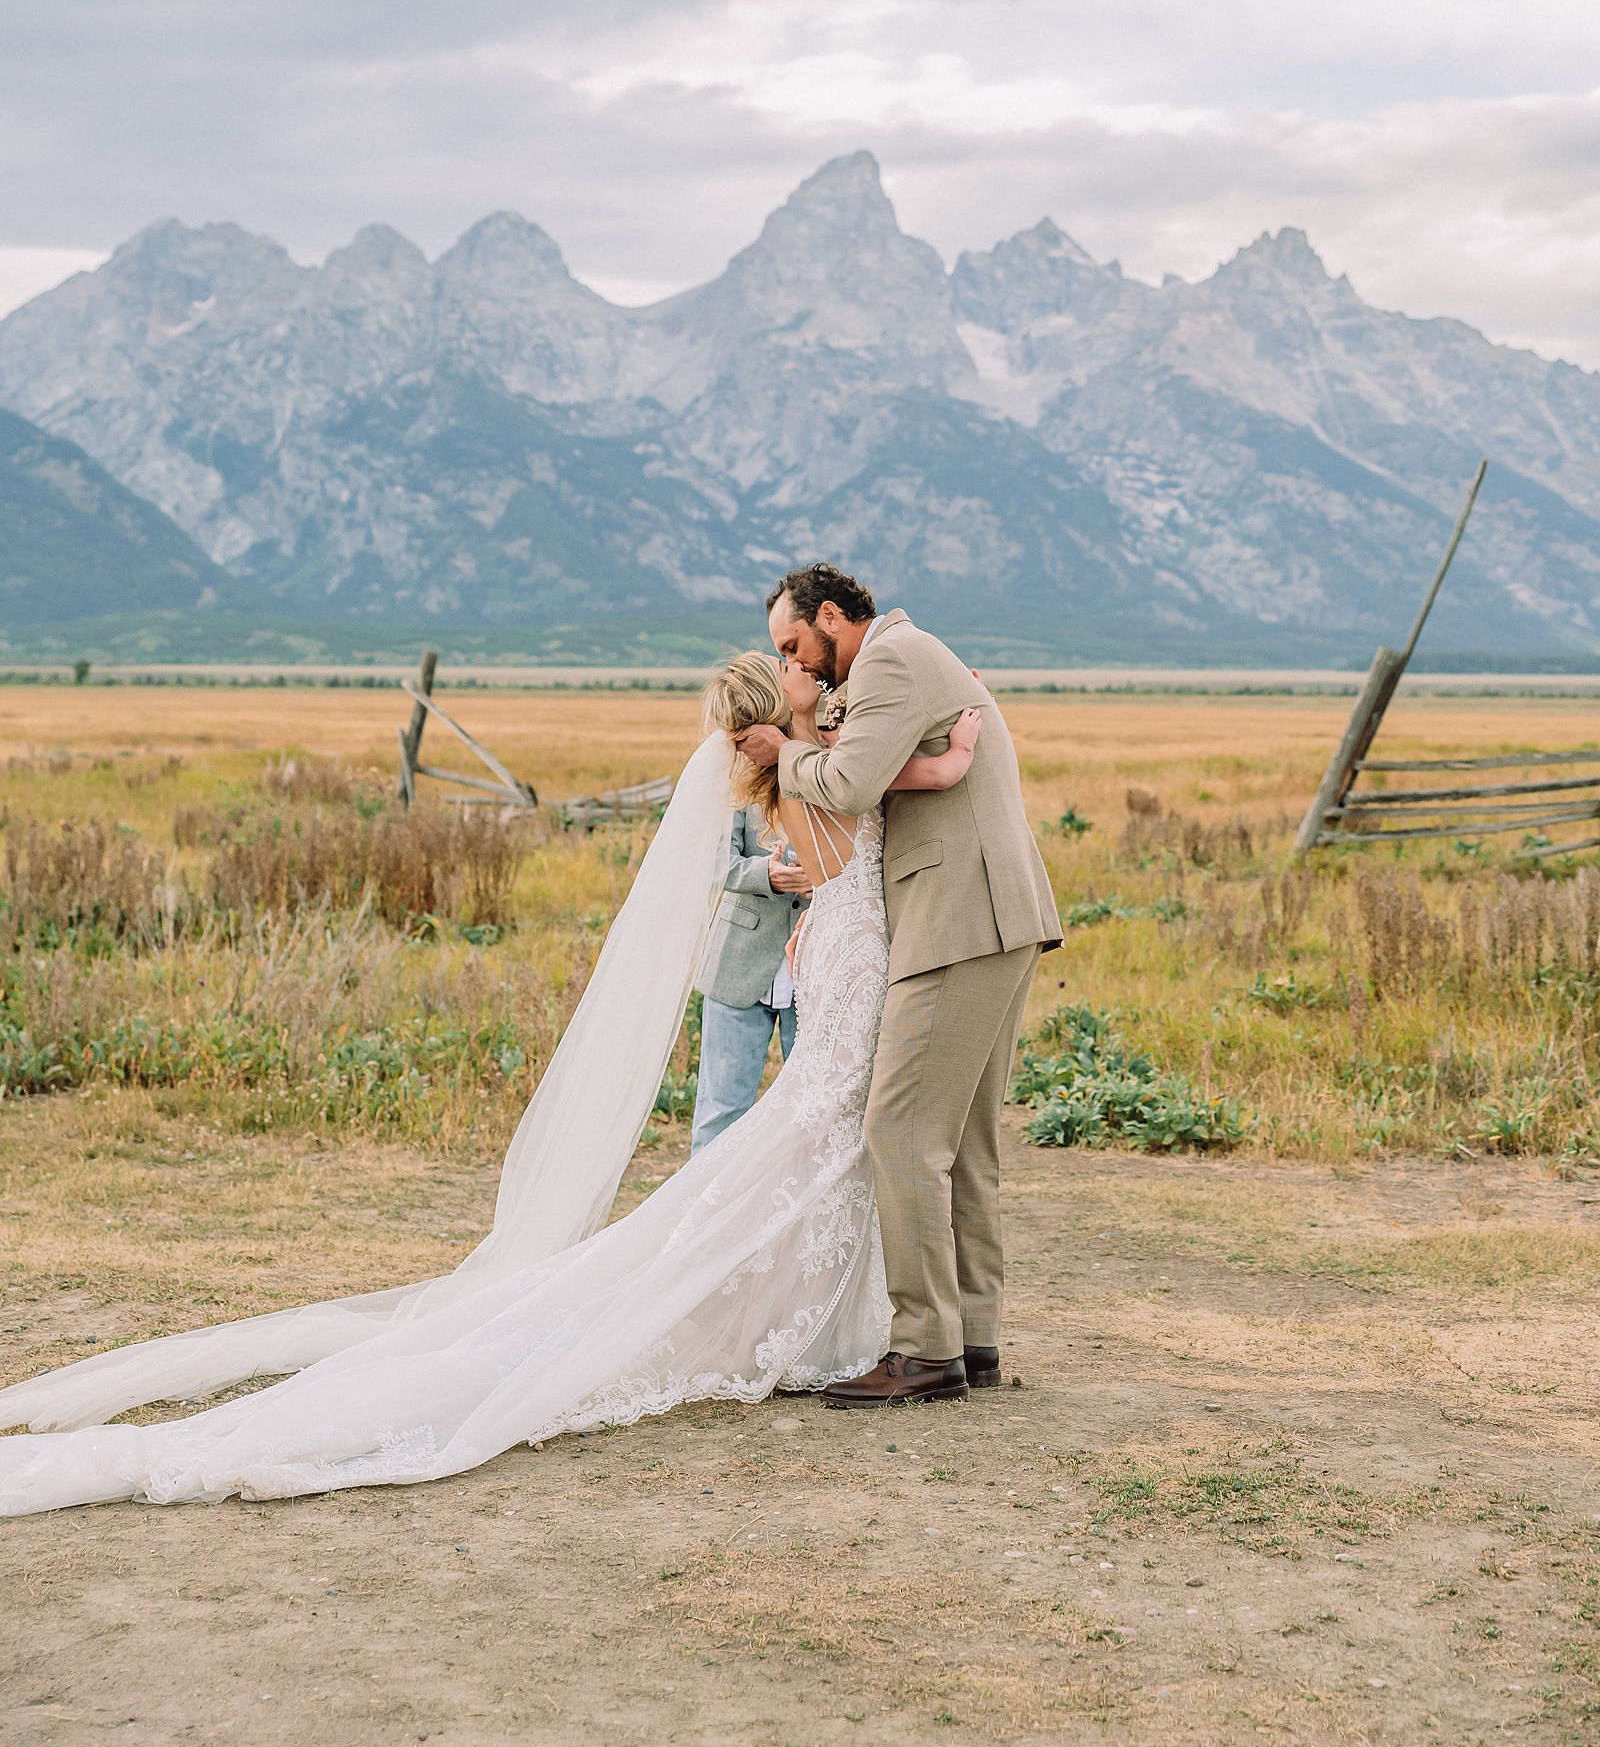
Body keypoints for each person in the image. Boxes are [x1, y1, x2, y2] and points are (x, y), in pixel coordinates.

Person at [0, 654, 978, 1516]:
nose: (806, 667)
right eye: (796, 666)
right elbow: (838, 858)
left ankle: (820, 1322)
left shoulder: (808, 766)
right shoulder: (811, 778)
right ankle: (818, 1326)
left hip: (844, 958)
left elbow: (843, 835)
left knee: (816, 1146)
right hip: (852, 958)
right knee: (810, 1143)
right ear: (777, 709)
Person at [736, 563, 1062, 1409]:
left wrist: (787, 752)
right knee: (966, 1145)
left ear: (835, 617)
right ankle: (974, 1341)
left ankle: (924, 1351)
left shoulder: (888, 661)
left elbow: (846, 785)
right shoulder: (911, 659)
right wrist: (813, 724)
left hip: (957, 918)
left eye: (795, 645)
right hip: (1000, 915)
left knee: (900, 1125)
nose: (794, 666)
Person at [690, 806, 809, 1153]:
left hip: (815, 965)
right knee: (721, 1109)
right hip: (737, 962)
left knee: (809, 1110)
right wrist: (764, 874)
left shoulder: (834, 767)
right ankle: (706, 1204)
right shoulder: (738, 780)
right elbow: (710, 861)